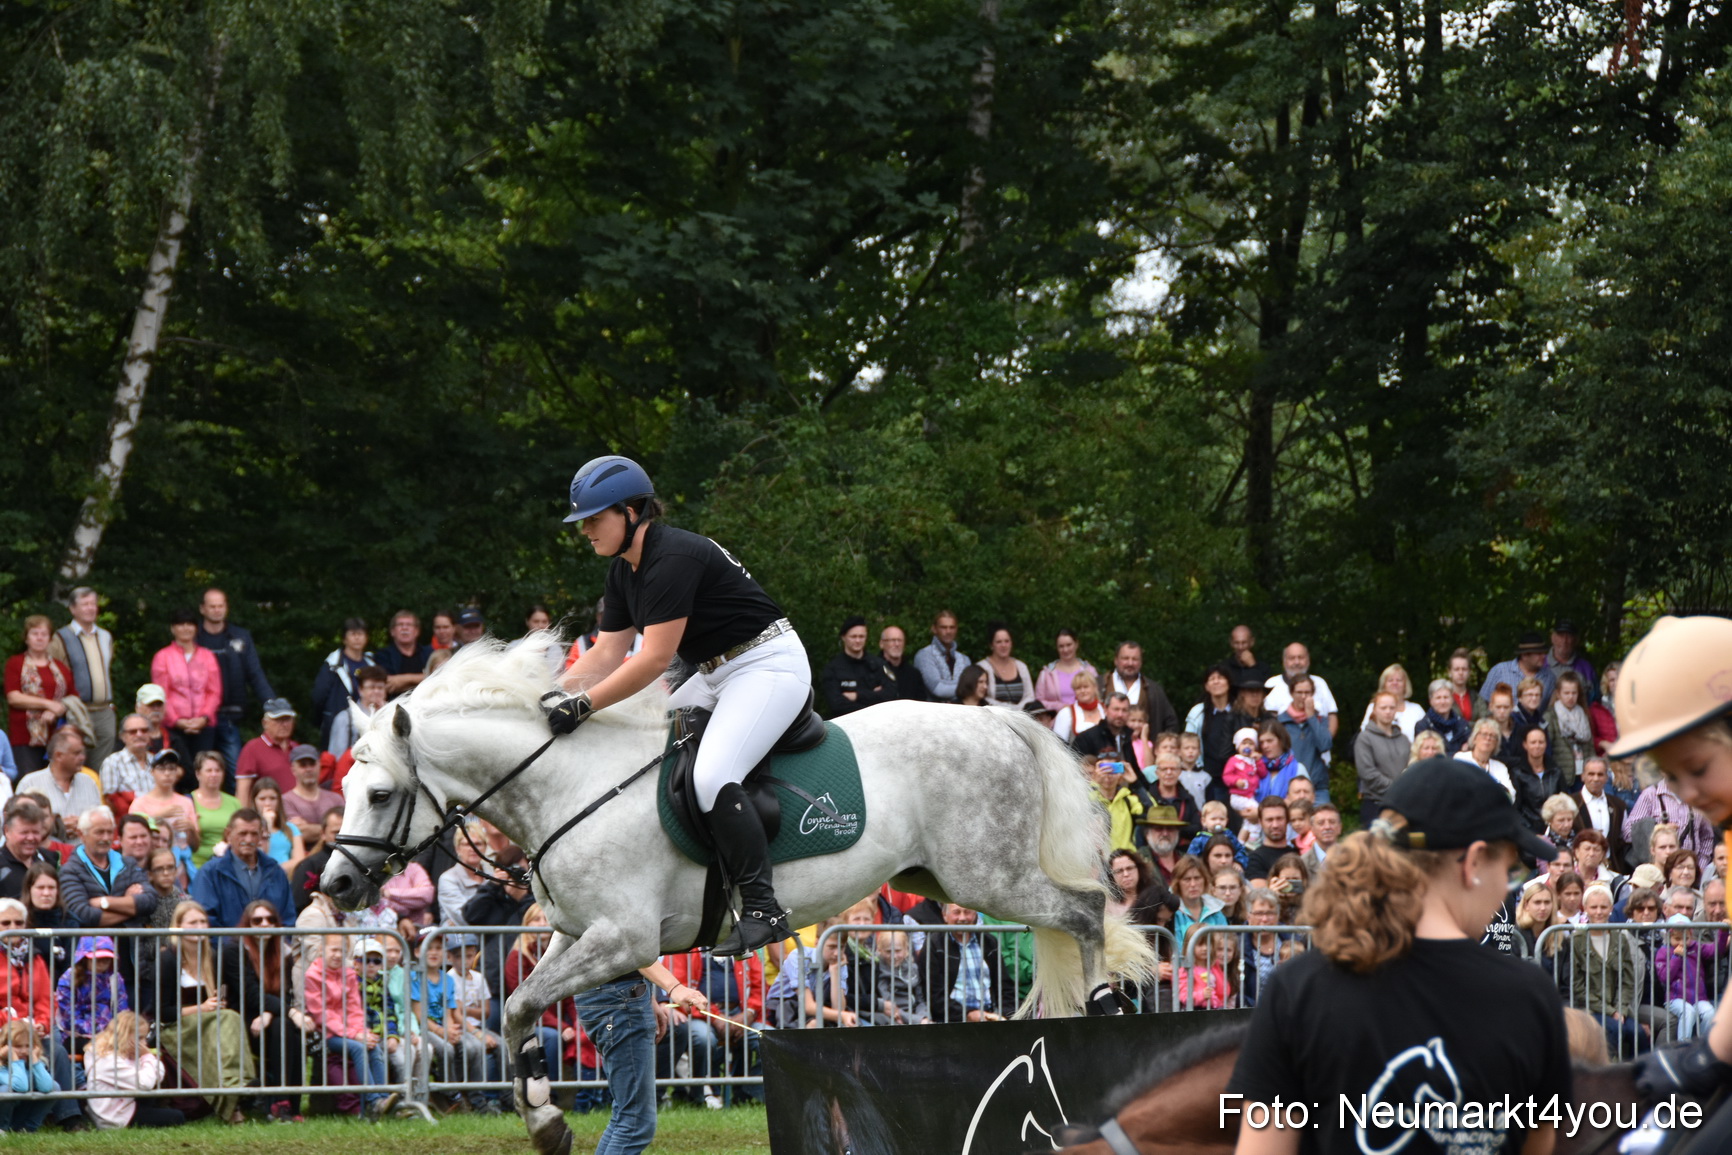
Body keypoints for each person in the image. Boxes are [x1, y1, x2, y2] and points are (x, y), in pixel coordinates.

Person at [1225, 756, 1569, 1155]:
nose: (1505, 889)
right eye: (1508, 870)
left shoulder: (1297, 988)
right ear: (1474, 862)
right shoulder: (1527, 996)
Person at [548, 457, 810, 956]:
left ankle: (764, 908)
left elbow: (653, 660)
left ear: (631, 512)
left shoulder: (672, 557)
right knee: (643, 751)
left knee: (712, 776)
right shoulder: (623, 570)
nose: (584, 530)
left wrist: (583, 706)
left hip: (768, 667)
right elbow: (605, 653)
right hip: (715, 675)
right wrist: (552, 697)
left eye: (594, 518)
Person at [142, 900, 255, 1125]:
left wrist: (217, 1005)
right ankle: (234, 1086)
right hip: (175, 1027)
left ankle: (234, 1089)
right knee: (227, 1020)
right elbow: (161, 1012)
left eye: (203, 921)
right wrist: (201, 1008)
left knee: (229, 1018)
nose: (200, 926)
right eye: (193, 922)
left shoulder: (212, 957)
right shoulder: (168, 960)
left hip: (210, 1024)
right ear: (178, 927)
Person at [304, 935, 396, 1118]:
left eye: (342, 951)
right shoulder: (312, 975)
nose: (338, 955)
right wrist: (354, 1034)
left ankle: (384, 1099)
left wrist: (362, 1032)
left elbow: (355, 1008)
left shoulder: (349, 974)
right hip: (327, 1034)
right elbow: (322, 1015)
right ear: (322, 950)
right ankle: (373, 1101)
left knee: (373, 1046)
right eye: (334, 950)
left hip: (350, 1031)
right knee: (358, 1048)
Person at [196, 588, 276, 775]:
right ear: (202, 609)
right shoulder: (193, 637)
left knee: (236, 770)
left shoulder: (240, 637)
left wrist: (272, 705)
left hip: (230, 715)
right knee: (199, 769)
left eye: (221, 606)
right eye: (212, 606)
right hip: (199, 717)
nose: (217, 610)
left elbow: (255, 674)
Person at [190, 809, 297, 928]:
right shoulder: (210, 873)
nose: (248, 840)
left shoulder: (275, 872)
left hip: (270, 940)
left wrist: (277, 939)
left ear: (261, 835)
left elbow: (288, 918)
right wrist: (233, 940)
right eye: (243, 833)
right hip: (226, 940)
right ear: (228, 834)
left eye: (254, 834)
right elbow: (205, 919)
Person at [84, 1009, 185, 1129]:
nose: (144, 1043)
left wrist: (149, 1063)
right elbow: (145, 1083)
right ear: (124, 1036)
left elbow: (158, 1075)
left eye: (145, 1038)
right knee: (177, 1117)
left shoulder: (124, 1054)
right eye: (139, 1038)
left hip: (126, 1106)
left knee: (157, 1100)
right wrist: (148, 1056)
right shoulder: (109, 1060)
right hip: (115, 1118)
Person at [50, 587, 117, 764]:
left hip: (104, 710)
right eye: (85, 604)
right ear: (73, 609)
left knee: (103, 763)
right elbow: (54, 674)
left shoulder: (105, 636)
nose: (90, 608)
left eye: (93, 604)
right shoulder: (61, 637)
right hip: (76, 710)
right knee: (75, 759)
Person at [149, 609, 222, 770]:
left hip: (204, 726)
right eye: (180, 624)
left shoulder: (207, 656)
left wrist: (204, 718)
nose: (185, 628)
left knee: (203, 768)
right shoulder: (162, 657)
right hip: (174, 726)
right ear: (172, 628)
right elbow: (162, 694)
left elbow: (214, 691)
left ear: (196, 628)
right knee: (176, 769)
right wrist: (176, 720)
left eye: (190, 624)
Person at [6, 615, 74, 778]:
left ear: (50, 639)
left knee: (57, 780)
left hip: (57, 737)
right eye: (35, 633)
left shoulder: (60, 667)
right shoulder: (15, 663)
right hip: (25, 736)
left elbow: (73, 697)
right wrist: (48, 704)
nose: (39, 638)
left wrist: (56, 710)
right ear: (26, 638)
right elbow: (14, 697)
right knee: (29, 781)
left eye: (44, 634)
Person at [16, 729, 102, 825]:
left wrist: (82, 824)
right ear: (59, 756)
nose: (82, 757)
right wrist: (58, 826)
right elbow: (19, 823)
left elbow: (99, 821)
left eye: (82, 753)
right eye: (77, 753)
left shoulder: (89, 783)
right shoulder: (30, 783)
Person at [1262, 643, 1340, 745]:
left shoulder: (1320, 683)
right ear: (1284, 661)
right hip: (1284, 751)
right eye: (1292, 658)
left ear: (1308, 660)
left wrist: (1326, 741)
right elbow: (1266, 722)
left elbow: (1332, 715)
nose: (1297, 662)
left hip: (1318, 750)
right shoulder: (1272, 684)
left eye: (1301, 657)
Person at [1353, 691, 1411, 828]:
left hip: (1403, 805)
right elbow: (1367, 773)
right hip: (1376, 805)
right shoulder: (1365, 738)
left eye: (1392, 708)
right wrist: (1396, 788)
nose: (1388, 712)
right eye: (1383, 708)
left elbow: (1411, 766)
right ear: (1374, 710)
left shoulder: (1404, 739)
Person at [311, 618, 370, 751]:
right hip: (339, 725)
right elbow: (318, 696)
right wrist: (325, 719)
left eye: (361, 634)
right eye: (353, 634)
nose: (357, 637)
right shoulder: (332, 665)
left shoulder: (372, 663)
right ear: (344, 639)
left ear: (366, 637)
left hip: (367, 723)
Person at [819, 617, 894, 716]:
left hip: (877, 721)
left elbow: (891, 695)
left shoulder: (878, 664)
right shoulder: (833, 669)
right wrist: (873, 698)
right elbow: (836, 704)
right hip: (846, 723)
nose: (858, 640)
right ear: (843, 637)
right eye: (853, 637)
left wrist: (857, 696)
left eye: (861, 636)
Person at [233, 697, 298, 808]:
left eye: (287, 719)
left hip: (298, 812)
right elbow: (243, 791)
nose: (284, 724)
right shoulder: (252, 748)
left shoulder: (297, 748)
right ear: (265, 723)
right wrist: (244, 815)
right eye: (278, 720)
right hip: (267, 812)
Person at [1275, 675, 1331, 802]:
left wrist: (1311, 717)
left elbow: (1325, 745)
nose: (1303, 696)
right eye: (1299, 692)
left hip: (1317, 787)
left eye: (1307, 692)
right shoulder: (1280, 722)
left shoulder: (1320, 719)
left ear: (1313, 694)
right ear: (1291, 693)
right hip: (1288, 788)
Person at [1104, 642, 1180, 734]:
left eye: (1135, 659)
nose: (1130, 663)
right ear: (1116, 660)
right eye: (1125, 658)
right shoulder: (1100, 685)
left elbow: (1171, 723)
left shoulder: (1154, 690)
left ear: (1141, 662)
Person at [1571, 757, 1631, 873]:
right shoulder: (1571, 803)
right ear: (1582, 776)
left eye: (1600, 774)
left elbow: (1624, 837)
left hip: (1613, 869)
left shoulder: (1618, 805)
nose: (1596, 778)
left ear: (1606, 777)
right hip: (1580, 871)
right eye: (1591, 774)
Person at [1478, 631, 1555, 719]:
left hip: (1534, 726)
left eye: (1544, 652)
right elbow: (1482, 702)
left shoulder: (1549, 677)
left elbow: (1550, 710)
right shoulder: (1500, 671)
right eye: (1539, 653)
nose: (1544, 656)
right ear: (1524, 655)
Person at [187, 752, 238, 870]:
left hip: (229, 865)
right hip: (198, 866)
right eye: (209, 770)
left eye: (218, 770)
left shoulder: (235, 803)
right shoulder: (188, 802)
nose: (214, 774)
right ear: (198, 774)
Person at [0, 798, 59, 901]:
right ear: (7, 831)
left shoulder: (50, 859)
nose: (31, 838)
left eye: (36, 832)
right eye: (24, 832)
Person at [280, 744, 343, 833]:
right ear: (293, 769)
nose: (308, 769)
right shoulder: (285, 801)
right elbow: (296, 833)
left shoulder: (336, 799)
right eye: (303, 765)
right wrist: (333, 830)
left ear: (319, 765)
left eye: (312, 764)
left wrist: (307, 827)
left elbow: (347, 829)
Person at [328, 666, 387, 758]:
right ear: (360, 690)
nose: (376, 691)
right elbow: (338, 755)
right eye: (371, 687)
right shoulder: (345, 718)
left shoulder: (393, 714)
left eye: (380, 687)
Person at [1511, 726, 1561, 834]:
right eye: (1533, 742)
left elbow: (1563, 801)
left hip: (1555, 829)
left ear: (1546, 744)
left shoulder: (1556, 771)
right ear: (1525, 745)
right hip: (1529, 830)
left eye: (1541, 742)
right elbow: (1516, 808)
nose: (1537, 746)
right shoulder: (1518, 773)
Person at [373, 610, 432, 698]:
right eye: (400, 625)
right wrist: (423, 679)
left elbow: (438, 678)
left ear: (416, 631)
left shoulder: (429, 653)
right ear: (392, 631)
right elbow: (387, 685)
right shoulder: (383, 655)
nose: (404, 628)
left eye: (409, 625)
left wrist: (403, 679)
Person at [913, 610, 970, 701]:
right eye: (943, 627)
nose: (948, 631)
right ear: (934, 629)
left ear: (956, 629)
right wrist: (966, 689)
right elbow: (938, 689)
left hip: (960, 709)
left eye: (952, 627)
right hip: (932, 709)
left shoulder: (964, 660)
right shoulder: (924, 656)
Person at [98, 714, 157, 800]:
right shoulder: (112, 762)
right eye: (133, 732)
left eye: (144, 730)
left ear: (150, 734)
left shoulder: (157, 761)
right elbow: (110, 800)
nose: (139, 734)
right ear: (123, 736)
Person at [1454, 717, 1515, 800]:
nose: (1488, 738)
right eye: (1484, 734)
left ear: (1496, 743)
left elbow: (1510, 795)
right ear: (1474, 738)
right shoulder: (1461, 758)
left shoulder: (1500, 767)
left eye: (1492, 736)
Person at [1035, 629, 1097, 710]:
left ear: (1076, 644)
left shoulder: (1089, 670)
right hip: (1056, 716)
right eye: (1061, 646)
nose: (1065, 650)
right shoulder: (1046, 673)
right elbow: (1039, 702)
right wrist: (1060, 706)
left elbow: (1097, 697)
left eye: (1069, 645)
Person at [1358, 663, 1424, 738]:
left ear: (1405, 685)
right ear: (1384, 685)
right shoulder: (1373, 707)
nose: (1395, 683)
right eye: (1390, 680)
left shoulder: (1416, 709)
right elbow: (1365, 734)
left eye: (1399, 680)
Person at [978, 622, 1035, 709]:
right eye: (999, 642)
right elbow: (982, 698)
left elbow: (1030, 696)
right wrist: (1008, 710)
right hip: (992, 715)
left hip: (1021, 715)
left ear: (1011, 643)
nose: (1003, 645)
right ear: (991, 645)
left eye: (1007, 641)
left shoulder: (1022, 667)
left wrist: (1018, 710)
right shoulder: (982, 668)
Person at [1414, 677, 1472, 756]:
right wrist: (1460, 753)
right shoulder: (1423, 727)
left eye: (1446, 697)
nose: (1442, 702)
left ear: (1452, 700)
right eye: (1438, 698)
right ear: (1431, 701)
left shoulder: (1463, 725)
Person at [872, 624, 926, 704]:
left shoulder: (913, 674)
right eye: (892, 640)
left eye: (900, 640)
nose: (897, 644)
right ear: (881, 644)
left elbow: (921, 703)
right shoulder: (871, 671)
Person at [1050, 672, 1103, 743]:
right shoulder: (1066, 713)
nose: (1082, 691)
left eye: (1086, 687)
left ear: (1095, 687)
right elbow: (1058, 744)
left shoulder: (1105, 709)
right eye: (1078, 688)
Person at [1590, 660, 1621, 755]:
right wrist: (1603, 744)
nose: (1616, 683)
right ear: (1606, 683)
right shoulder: (1597, 709)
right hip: (1608, 757)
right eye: (1612, 680)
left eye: (1619, 678)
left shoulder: (1635, 704)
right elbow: (1590, 737)